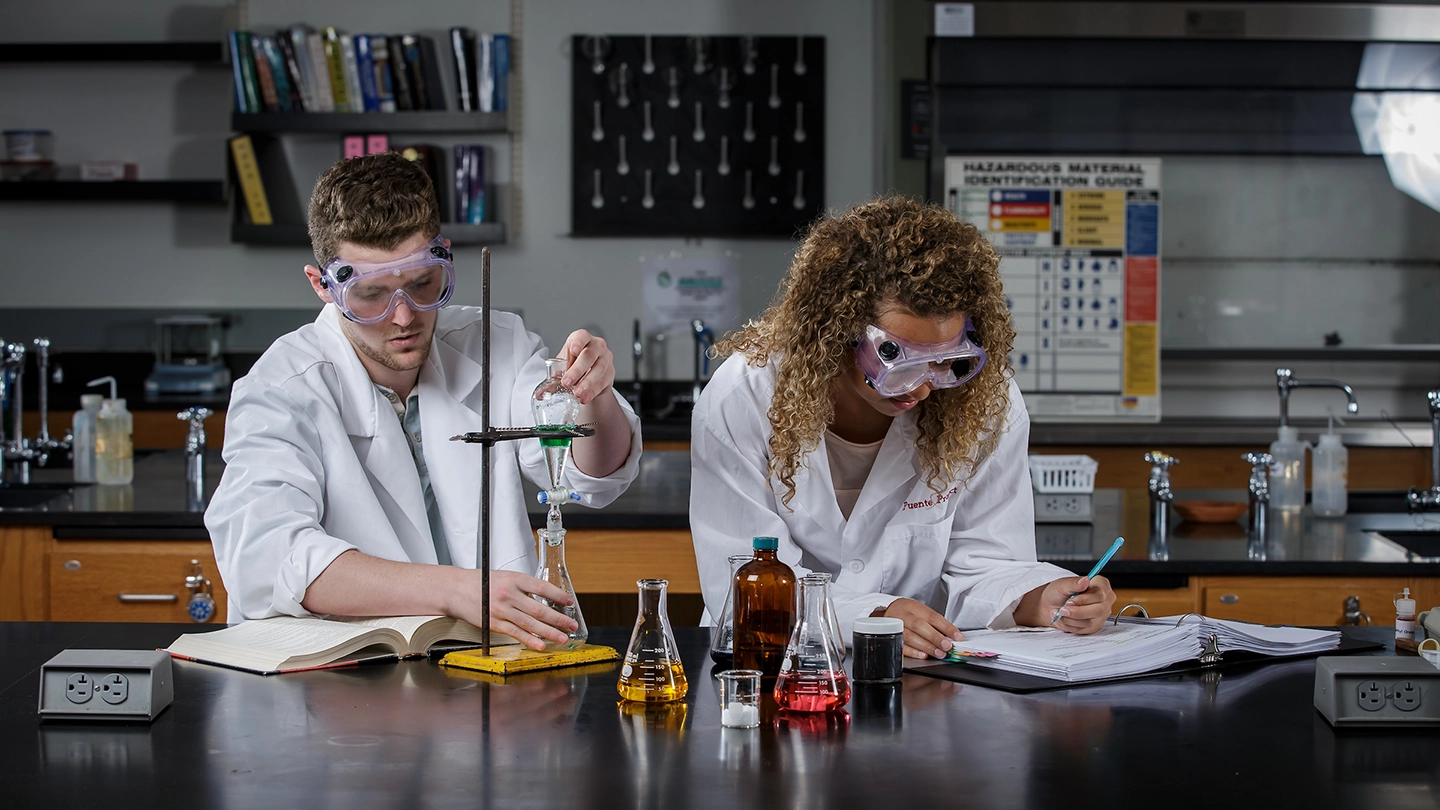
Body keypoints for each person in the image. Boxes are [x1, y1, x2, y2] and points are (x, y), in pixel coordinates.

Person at [207, 153, 641, 649]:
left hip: (483, 669)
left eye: (421, 284)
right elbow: (266, 558)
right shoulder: (281, 388)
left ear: (445, 258)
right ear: (322, 285)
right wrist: (462, 591)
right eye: (370, 294)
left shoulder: (495, 341)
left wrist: (595, 397)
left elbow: (594, 477)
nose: (402, 317)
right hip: (339, 686)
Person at [690, 196, 1116, 660]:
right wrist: (870, 616)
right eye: (896, 360)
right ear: (836, 332)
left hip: (923, 675)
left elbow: (987, 562)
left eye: (944, 362)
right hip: (767, 665)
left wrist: (1035, 598)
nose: (921, 389)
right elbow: (745, 587)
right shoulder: (743, 397)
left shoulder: (986, 404)